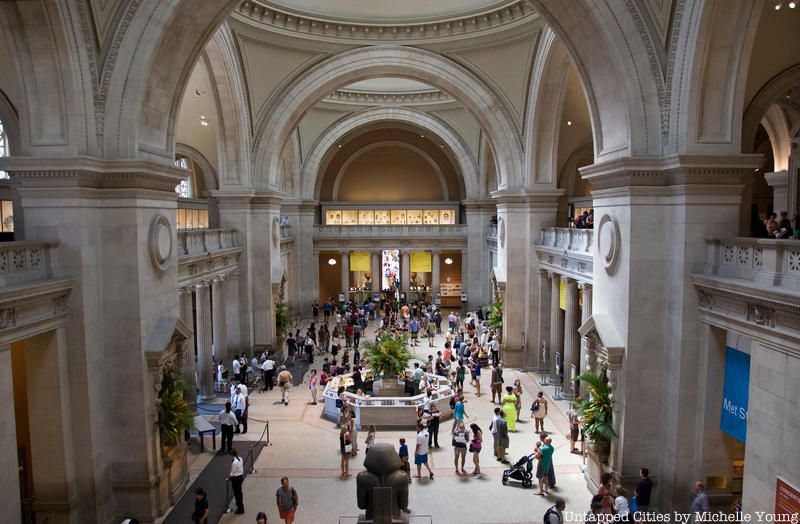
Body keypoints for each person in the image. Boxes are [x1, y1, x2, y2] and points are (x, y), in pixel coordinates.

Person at [229, 449, 245, 514]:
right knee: (239, 492)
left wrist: (229, 477)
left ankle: (240, 509)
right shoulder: (240, 458)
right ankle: (239, 503)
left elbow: (232, 472)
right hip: (240, 477)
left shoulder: (234, 462)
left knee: (237, 493)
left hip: (236, 479)